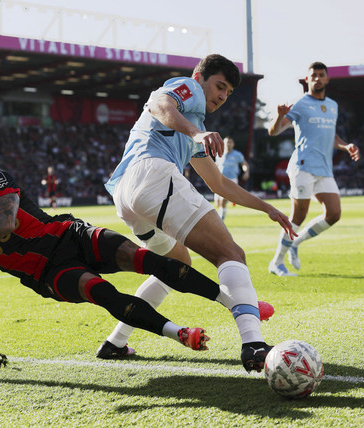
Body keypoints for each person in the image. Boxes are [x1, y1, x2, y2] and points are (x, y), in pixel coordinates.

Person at [0, 145, 262, 378]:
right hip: (48, 273)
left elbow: (5, 222)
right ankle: (180, 333)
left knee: (146, 258)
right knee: (103, 292)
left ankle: (238, 305)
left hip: (70, 235)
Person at [100, 54, 296, 373]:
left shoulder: (195, 125)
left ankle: (116, 341)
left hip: (127, 195)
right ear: (200, 77)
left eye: (228, 92)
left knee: (177, 264)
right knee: (230, 253)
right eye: (219, 86)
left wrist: (267, 207)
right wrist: (195, 133)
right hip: (152, 175)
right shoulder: (187, 89)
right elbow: (160, 105)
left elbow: (218, 183)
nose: (221, 96)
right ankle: (254, 344)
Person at [268, 61, 360, 277]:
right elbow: (274, 131)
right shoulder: (300, 103)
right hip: (303, 166)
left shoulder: (333, 105)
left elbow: (331, 135)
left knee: (334, 214)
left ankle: (296, 243)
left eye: (321, 75)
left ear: (327, 79)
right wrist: (280, 114)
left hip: (324, 168)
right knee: (298, 215)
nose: (317, 78)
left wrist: (345, 146)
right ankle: (277, 262)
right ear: (307, 79)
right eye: (314, 75)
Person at [214, 136, 249, 221]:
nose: (228, 144)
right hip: (219, 179)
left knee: (223, 199)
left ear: (233, 144)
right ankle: (222, 212)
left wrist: (246, 172)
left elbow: (244, 164)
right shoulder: (219, 154)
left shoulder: (237, 154)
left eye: (230, 142)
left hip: (231, 180)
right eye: (226, 142)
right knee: (217, 202)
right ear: (223, 143)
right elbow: (216, 165)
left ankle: (221, 219)